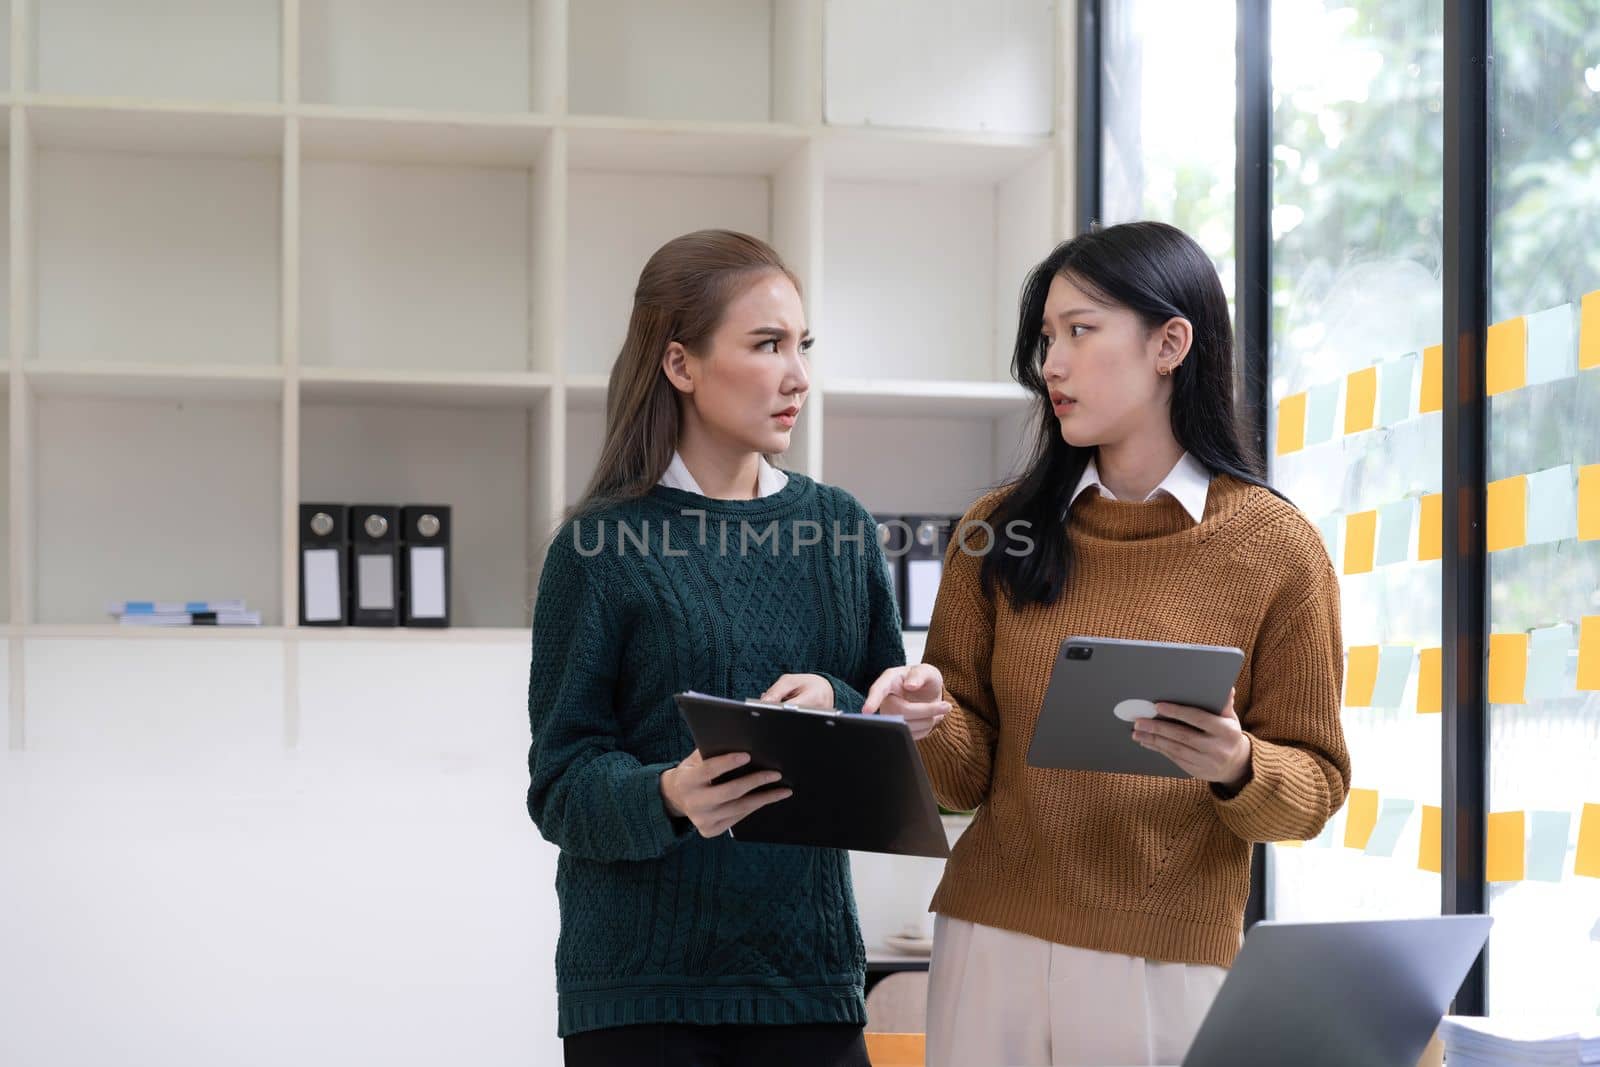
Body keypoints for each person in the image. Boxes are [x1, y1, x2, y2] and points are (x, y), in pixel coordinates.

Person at [864, 221, 1351, 1067]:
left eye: (1080, 331)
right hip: (989, 939)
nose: (1051, 363)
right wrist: (927, 723)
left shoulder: (1278, 547)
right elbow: (961, 780)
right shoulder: (995, 529)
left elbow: (1315, 787)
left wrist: (1237, 762)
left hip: (1164, 958)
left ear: (1170, 343)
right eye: (1046, 338)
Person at [526, 229, 920, 1067]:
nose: (798, 377)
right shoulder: (598, 548)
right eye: (768, 345)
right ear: (680, 364)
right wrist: (669, 794)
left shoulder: (839, 529)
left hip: (806, 977)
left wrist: (851, 705)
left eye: (802, 346)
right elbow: (560, 784)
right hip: (638, 990)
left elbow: (883, 740)